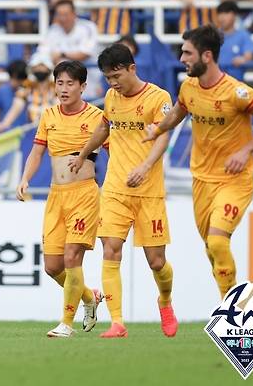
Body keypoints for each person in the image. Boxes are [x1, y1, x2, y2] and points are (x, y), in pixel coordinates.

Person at [143, 25, 253, 300]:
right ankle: (235, 302)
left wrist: (245, 151)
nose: (182, 59)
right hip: (202, 180)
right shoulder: (188, 88)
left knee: (219, 242)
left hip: (235, 179)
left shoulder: (237, 92)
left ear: (206, 56)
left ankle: (231, 311)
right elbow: (177, 113)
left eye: (187, 53)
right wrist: (158, 130)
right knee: (211, 247)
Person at [70, 44, 178, 339]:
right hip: (116, 188)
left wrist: (145, 167)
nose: (113, 83)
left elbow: (162, 138)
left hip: (149, 190)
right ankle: (117, 322)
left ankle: (165, 301)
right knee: (110, 249)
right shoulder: (111, 97)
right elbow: (104, 128)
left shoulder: (159, 98)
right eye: (108, 78)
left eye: (117, 75)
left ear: (132, 68)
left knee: (156, 262)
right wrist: (83, 154)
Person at [17, 61, 104, 338]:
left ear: (82, 86)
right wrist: (25, 178)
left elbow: (116, 152)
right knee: (53, 266)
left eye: (70, 83)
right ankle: (89, 297)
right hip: (57, 196)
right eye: (60, 83)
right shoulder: (49, 115)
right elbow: (37, 152)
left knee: (71, 258)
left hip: (84, 194)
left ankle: (66, 324)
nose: (63, 89)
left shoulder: (97, 117)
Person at [36, 0, 101, 99]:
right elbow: (42, 54)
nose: (62, 18)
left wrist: (62, 54)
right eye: (59, 15)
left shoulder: (88, 27)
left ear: (74, 14)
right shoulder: (53, 30)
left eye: (66, 14)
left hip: (89, 82)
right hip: (62, 86)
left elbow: (85, 54)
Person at [216, 1, 253, 81]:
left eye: (226, 13)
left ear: (234, 15)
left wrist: (243, 59)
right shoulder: (212, 35)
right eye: (220, 13)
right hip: (214, 84)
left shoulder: (243, 35)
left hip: (236, 84)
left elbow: (249, 55)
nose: (222, 17)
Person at [0, 59, 29, 130]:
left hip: (26, 134)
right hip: (7, 135)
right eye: (13, 77)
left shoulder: (30, 92)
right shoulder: (2, 91)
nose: (15, 82)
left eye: (19, 79)